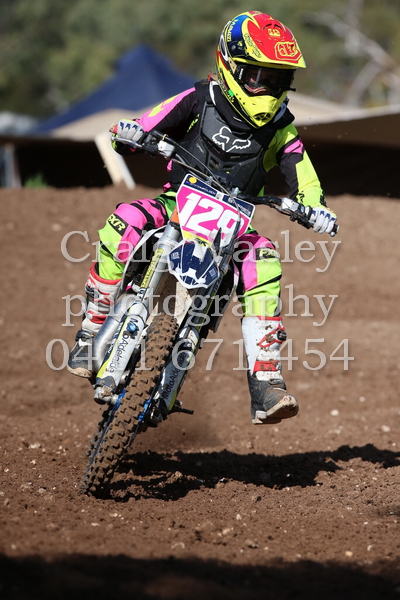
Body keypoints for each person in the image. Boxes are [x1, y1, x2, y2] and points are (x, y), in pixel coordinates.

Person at [67, 11, 337, 425]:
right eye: (258, 77)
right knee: (126, 220)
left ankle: (266, 381)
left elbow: (306, 179)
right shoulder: (200, 98)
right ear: (231, 66)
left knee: (264, 259)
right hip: (176, 205)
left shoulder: (282, 129)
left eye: (278, 80)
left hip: (233, 227)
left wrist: (314, 208)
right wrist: (132, 133)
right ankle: (92, 328)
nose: (267, 89)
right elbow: (145, 124)